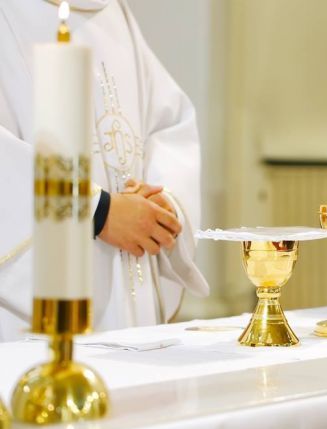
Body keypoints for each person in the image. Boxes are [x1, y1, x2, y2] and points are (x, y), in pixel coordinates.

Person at [0, 0, 209, 341]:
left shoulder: (112, 11)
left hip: (133, 282)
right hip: (28, 316)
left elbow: (168, 125)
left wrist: (162, 205)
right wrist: (97, 210)